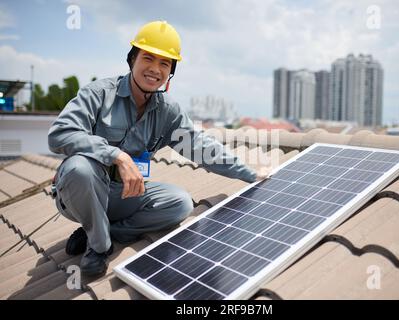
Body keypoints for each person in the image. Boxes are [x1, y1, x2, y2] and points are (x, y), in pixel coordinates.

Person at [48, 21, 270, 277]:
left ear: (170, 72)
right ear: (132, 59)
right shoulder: (98, 94)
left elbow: (200, 147)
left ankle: (101, 229)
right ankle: (99, 246)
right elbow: (60, 133)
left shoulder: (167, 112)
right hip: (81, 193)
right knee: (79, 169)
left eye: (164, 63)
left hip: (123, 196)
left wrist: (249, 174)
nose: (155, 69)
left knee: (180, 203)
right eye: (148, 58)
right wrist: (116, 155)